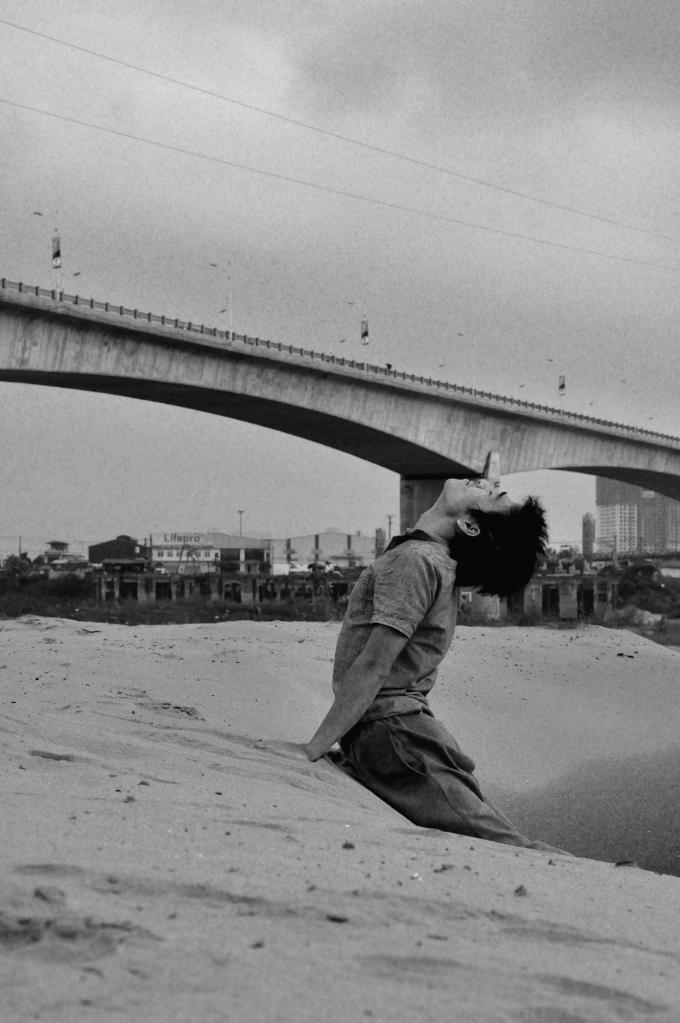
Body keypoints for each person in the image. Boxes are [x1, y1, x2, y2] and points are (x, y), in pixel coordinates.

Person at [305, 476, 566, 852]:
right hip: (402, 733)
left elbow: (375, 665)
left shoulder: (417, 561)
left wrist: (312, 749)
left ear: (470, 525)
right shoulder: (428, 558)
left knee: (500, 842)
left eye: (488, 492)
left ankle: (611, 890)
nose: (483, 481)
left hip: (394, 735)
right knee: (490, 830)